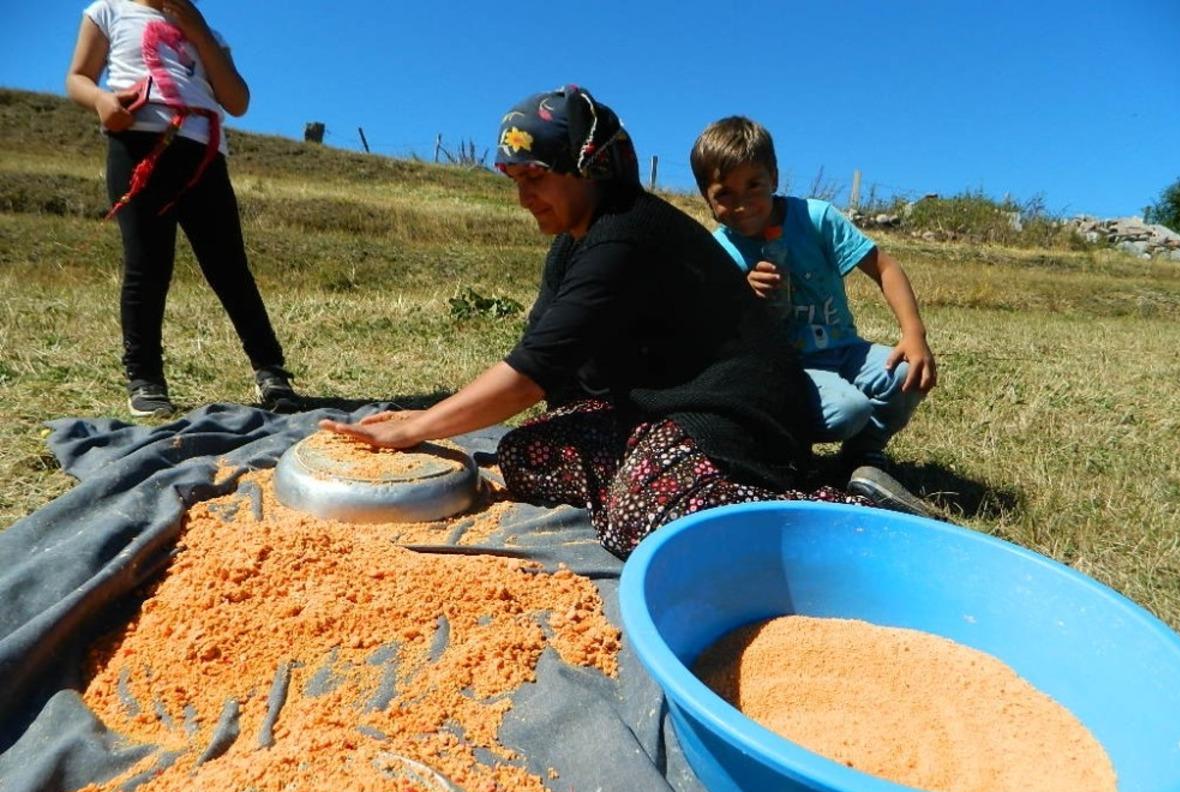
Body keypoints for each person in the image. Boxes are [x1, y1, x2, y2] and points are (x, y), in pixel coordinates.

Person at [321, 85, 873, 559]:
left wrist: (416, 428)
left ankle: (836, 509)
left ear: (588, 168)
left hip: (736, 409)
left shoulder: (625, 235)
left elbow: (530, 375)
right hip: (656, 405)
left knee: (639, 513)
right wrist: (434, 416)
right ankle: (666, 473)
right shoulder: (574, 244)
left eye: (536, 177)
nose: (524, 198)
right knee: (523, 454)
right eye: (514, 180)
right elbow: (540, 351)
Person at [690, 116, 938, 514]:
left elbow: (884, 267)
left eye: (754, 185)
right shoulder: (720, 253)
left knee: (907, 372)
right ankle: (786, 450)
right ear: (706, 197)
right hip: (786, 369)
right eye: (725, 194)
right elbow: (715, 332)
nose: (743, 204)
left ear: (773, 177)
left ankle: (862, 457)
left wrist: (914, 333)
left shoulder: (816, 219)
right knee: (850, 410)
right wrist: (744, 294)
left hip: (844, 350)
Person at [66, 0, 301, 417]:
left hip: (204, 152)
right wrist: (102, 101)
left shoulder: (208, 33)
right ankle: (145, 378)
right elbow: (78, 77)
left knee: (229, 267)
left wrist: (198, 31)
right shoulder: (107, 11)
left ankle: (271, 371)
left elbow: (237, 101)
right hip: (139, 146)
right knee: (148, 265)